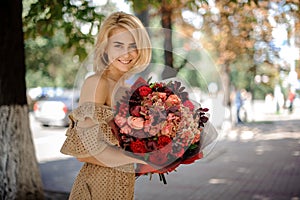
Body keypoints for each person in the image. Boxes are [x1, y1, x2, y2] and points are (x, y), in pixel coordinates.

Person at [60, 12, 152, 199]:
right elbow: (84, 152)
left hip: (123, 187)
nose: (126, 53)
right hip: (97, 188)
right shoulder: (97, 83)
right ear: (105, 48)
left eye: (133, 46)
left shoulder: (129, 90)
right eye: (118, 45)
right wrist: (145, 158)